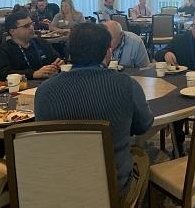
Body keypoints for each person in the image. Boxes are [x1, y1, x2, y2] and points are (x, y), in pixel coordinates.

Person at [34, 23, 154, 206]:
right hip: (114, 188)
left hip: (61, 187)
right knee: (144, 156)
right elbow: (144, 125)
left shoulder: (44, 92)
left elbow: (45, 139)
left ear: (69, 53)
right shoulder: (126, 85)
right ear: (108, 53)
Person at [0, 11, 63, 80]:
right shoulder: (2, 52)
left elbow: (57, 59)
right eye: (26, 26)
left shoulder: (42, 43)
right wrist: (33, 74)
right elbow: (3, 75)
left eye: (31, 24)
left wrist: (58, 65)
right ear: (13, 31)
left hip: (47, 84)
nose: (31, 27)